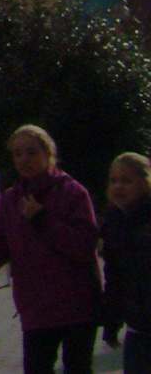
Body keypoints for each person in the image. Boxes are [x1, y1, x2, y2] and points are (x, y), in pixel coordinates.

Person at [0, 124, 101, 374]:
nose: (24, 160)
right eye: (18, 154)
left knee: (78, 367)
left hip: (76, 304)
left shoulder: (72, 192)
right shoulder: (9, 201)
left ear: (48, 154)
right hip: (36, 307)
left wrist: (43, 220)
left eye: (32, 152)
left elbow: (85, 245)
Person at [102, 153, 151, 374]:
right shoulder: (114, 220)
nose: (118, 187)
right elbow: (114, 275)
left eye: (126, 181)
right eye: (114, 180)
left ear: (144, 183)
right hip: (137, 326)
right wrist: (112, 321)